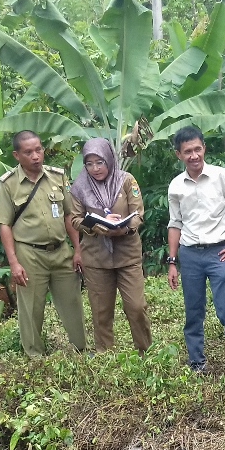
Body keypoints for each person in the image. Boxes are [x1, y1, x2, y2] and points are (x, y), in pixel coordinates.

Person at [166, 126, 225, 374]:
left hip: (219, 253)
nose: (194, 155)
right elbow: (175, 224)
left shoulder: (222, 176)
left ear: (204, 148)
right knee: (193, 313)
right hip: (190, 255)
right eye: (187, 152)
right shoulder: (176, 186)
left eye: (197, 149)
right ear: (179, 155)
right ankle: (197, 364)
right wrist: (172, 262)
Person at [0, 130, 86, 357]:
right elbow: (4, 225)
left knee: (72, 302)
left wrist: (78, 250)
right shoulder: (8, 184)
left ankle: (81, 349)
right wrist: (14, 263)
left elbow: (68, 215)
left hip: (61, 250)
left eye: (38, 150)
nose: (35, 156)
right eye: (28, 152)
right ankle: (34, 355)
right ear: (16, 155)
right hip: (29, 254)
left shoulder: (57, 176)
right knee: (31, 308)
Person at [69, 137, 152, 354]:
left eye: (100, 162)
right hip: (96, 257)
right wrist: (95, 226)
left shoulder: (126, 181)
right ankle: (105, 355)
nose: (95, 169)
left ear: (109, 159)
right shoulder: (79, 187)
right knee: (101, 311)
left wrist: (124, 228)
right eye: (89, 163)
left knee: (136, 307)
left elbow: (139, 214)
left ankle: (145, 351)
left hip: (127, 254)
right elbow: (75, 219)